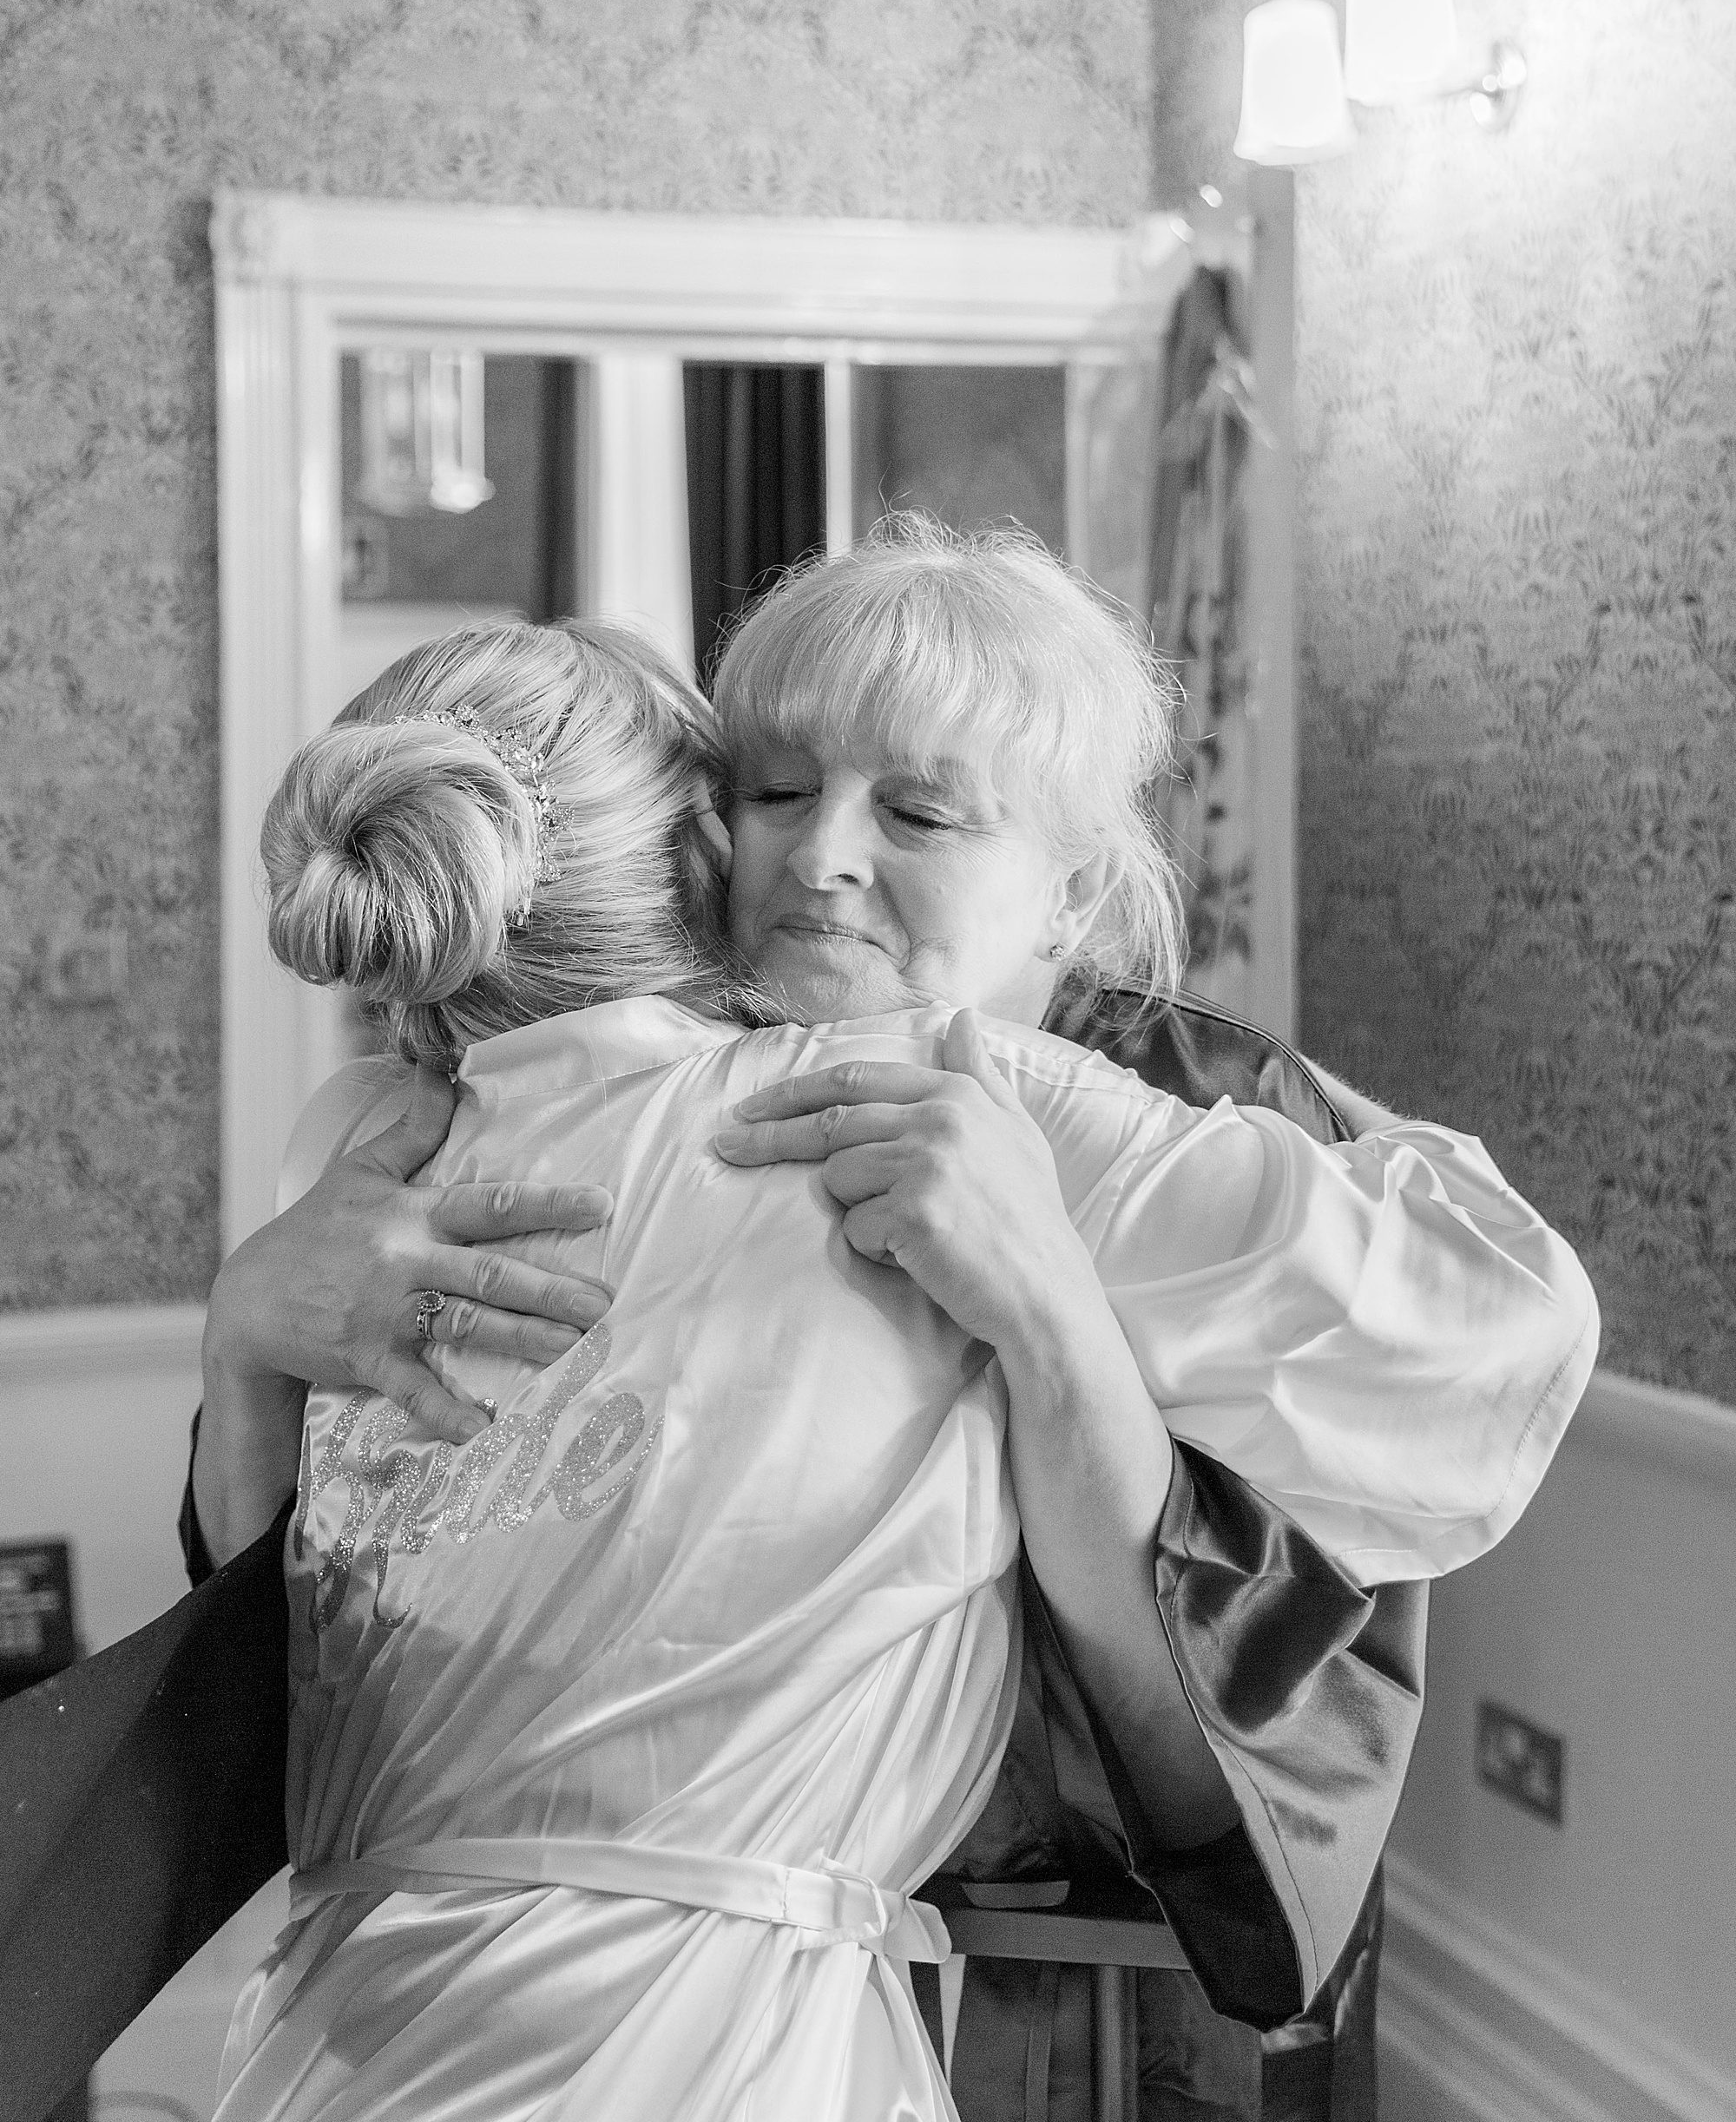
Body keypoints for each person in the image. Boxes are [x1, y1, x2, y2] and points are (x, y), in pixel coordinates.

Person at [192, 527, 1595, 2117]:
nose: (818, 861)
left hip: (1081, 1978)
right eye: (771, 794)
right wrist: (249, 1333)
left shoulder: (1194, 1109)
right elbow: (316, 1651)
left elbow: (1312, 1654)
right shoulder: (483, 1113)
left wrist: (1053, 1315)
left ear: (1072, 884)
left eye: (920, 811)